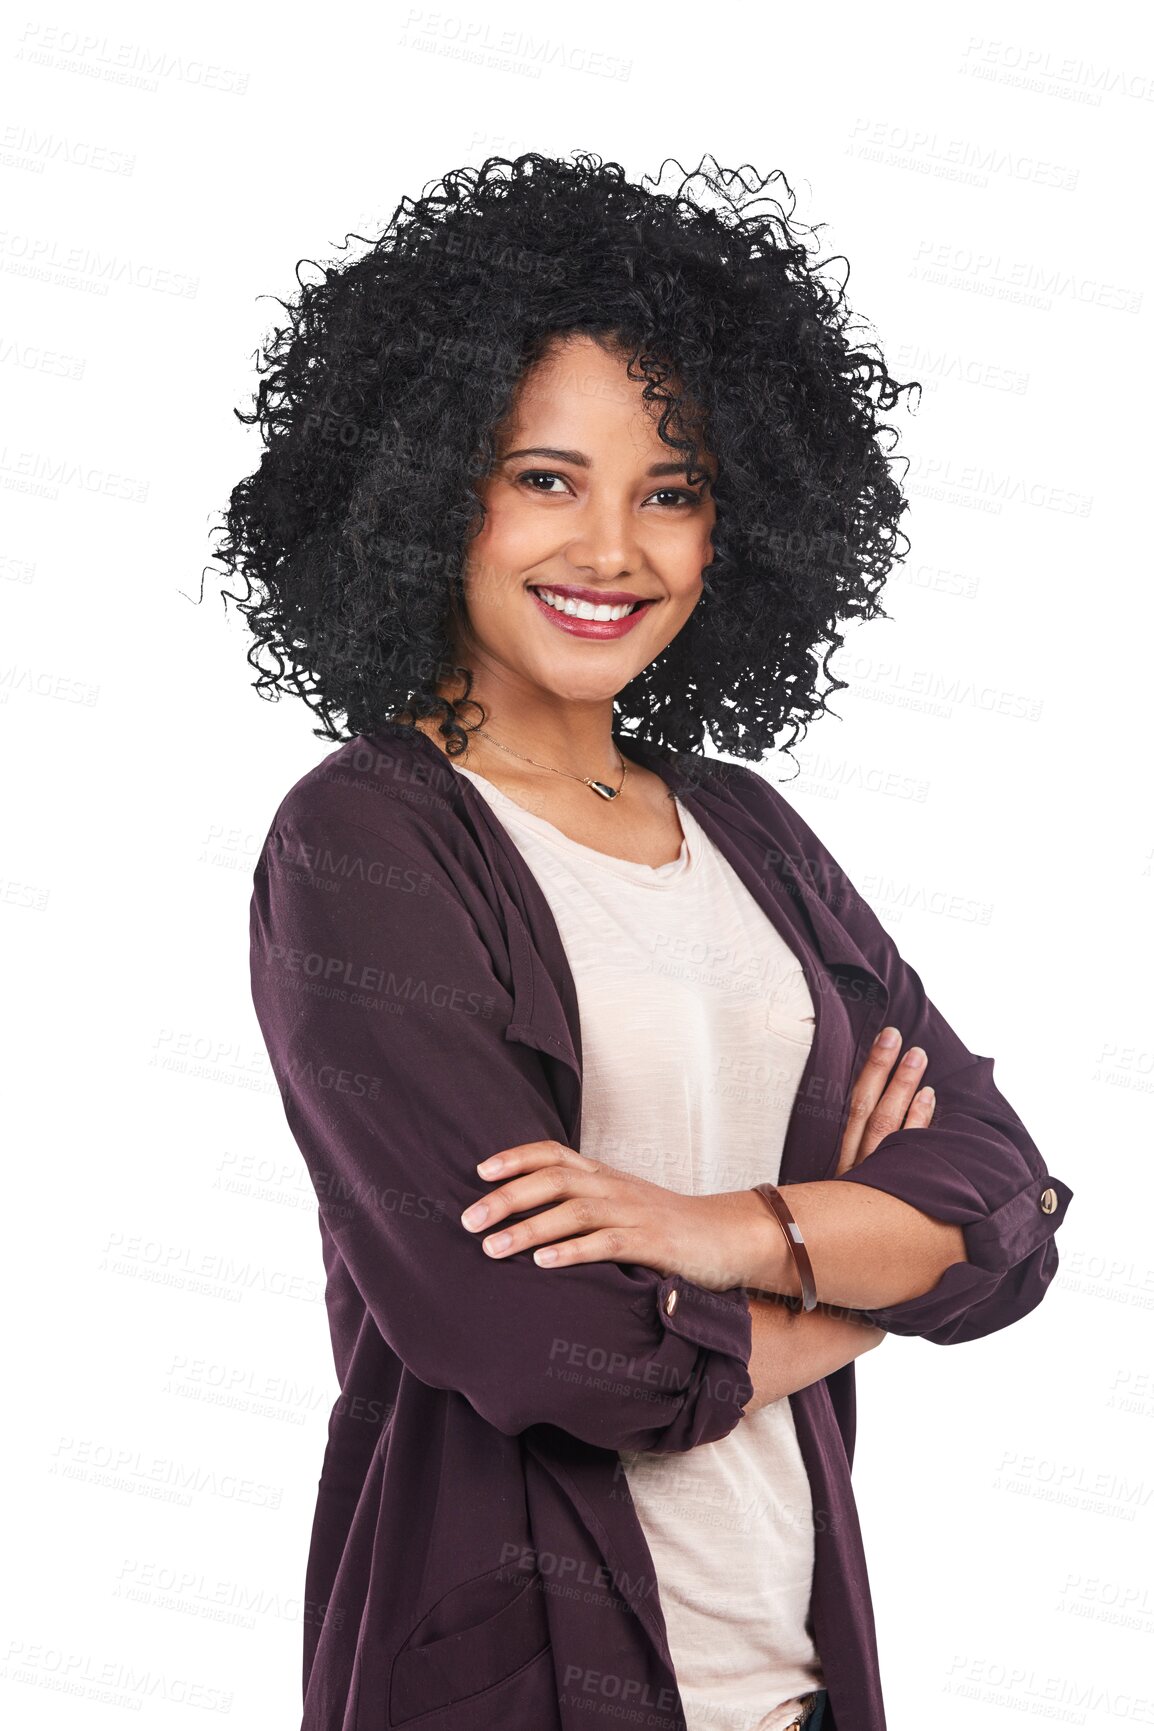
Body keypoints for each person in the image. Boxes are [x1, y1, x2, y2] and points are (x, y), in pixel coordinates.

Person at [217, 153, 1073, 1731]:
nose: (610, 549)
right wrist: (868, 1265)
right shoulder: (366, 844)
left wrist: (708, 1229)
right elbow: (557, 1351)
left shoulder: (749, 833)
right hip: (511, 1684)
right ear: (420, 490)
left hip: (797, 1682)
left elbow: (1007, 1211)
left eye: (668, 492)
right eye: (545, 477)